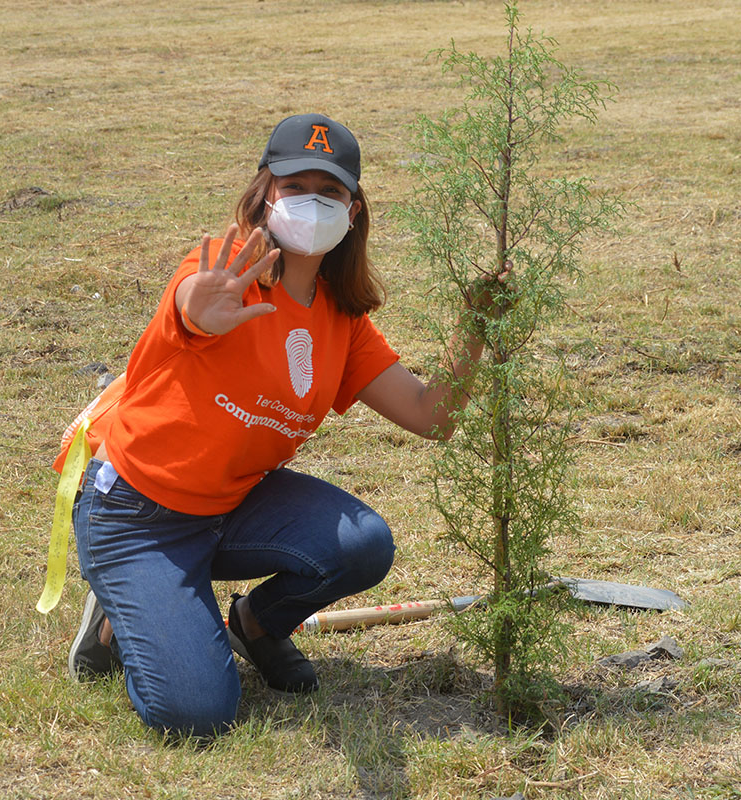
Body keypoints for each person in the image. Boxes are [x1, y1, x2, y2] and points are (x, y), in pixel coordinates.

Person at [66, 113, 495, 736]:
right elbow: (192, 300)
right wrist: (200, 310)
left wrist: (476, 331)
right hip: (136, 515)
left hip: (229, 506)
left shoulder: (342, 321)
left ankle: (255, 624)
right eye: (296, 187)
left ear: (354, 212)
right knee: (198, 715)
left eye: (332, 191)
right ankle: (119, 614)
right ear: (264, 193)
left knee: (362, 544)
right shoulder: (219, 270)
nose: (312, 202)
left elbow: (433, 416)